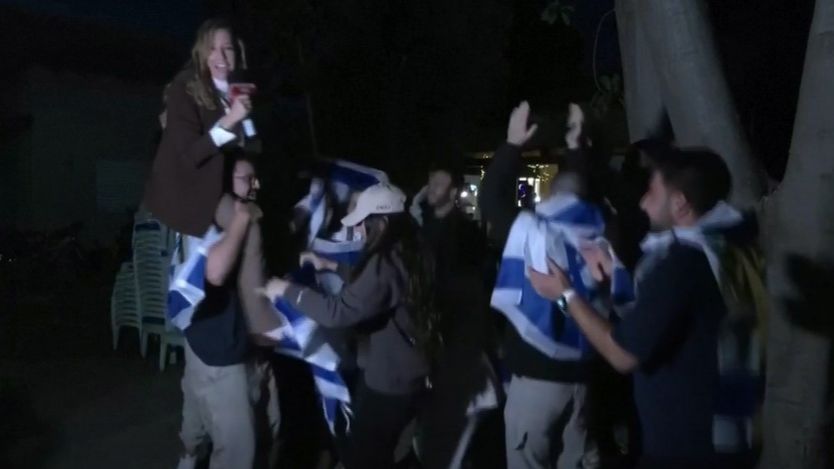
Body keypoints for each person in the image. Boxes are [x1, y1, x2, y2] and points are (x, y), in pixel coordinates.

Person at [526, 144, 761, 468]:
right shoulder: (724, 250)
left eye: (652, 190)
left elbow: (623, 354)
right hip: (721, 440)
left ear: (679, 203)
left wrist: (566, 294)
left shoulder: (683, 263)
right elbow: (655, 323)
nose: (642, 200)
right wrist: (613, 279)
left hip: (685, 451)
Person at [261, 182, 436, 469]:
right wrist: (331, 267)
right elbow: (379, 290)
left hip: (390, 380)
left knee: (365, 455)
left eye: (362, 224)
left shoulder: (385, 262)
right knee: (383, 444)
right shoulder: (413, 248)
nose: (357, 232)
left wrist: (285, 290)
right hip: (410, 371)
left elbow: (337, 312)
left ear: (381, 223)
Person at [479, 101, 605, 469]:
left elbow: (491, 200)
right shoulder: (600, 233)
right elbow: (580, 188)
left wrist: (513, 143)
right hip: (584, 378)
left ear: (550, 197)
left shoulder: (535, 231)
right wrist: (578, 148)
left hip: (537, 379)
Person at [143, 18, 280, 334]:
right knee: (233, 240)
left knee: (256, 227)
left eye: (228, 48)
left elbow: (251, 146)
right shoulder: (185, 88)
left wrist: (246, 123)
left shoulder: (238, 88)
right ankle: (243, 323)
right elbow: (191, 154)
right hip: (189, 191)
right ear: (201, 54)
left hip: (223, 185)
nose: (221, 56)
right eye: (213, 49)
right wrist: (231, 120)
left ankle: (257, 318)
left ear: (238, 53)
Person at [177, 154, 278, 469]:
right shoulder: (215, 213)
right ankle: (189, 455)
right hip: (217, 345)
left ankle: (188, 457)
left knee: (201, 420)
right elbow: (216, 271)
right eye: (248, 178)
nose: (256, 185)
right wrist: (242, 219)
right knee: (237, 450)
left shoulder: (232, 210)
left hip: (225, 340)